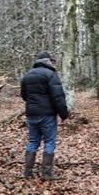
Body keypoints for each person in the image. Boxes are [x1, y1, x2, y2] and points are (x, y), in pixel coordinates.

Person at [21, 51, 68, 181]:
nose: (52, 63)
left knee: (33, 141)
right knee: (50, 141)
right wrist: (64, 114)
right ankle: (47, 174)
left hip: (31, 114)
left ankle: (27, 172)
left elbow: (24, 95)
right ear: (47, 61)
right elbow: (58, 97)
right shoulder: (51, 74)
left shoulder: (27, 75)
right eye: (51, 61)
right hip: (47, 115)